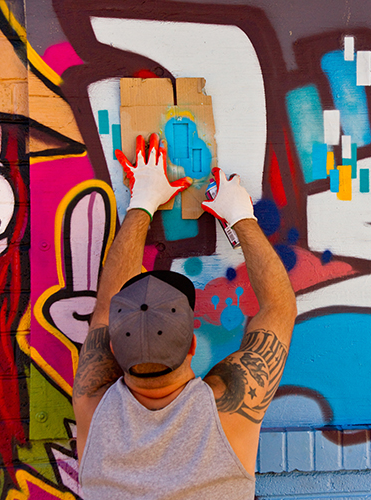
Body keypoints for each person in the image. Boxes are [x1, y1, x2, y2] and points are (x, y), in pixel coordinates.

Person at [72, 134, 296, 499]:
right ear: (193, 344)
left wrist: (143, 199)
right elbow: (278, 309)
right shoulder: (228, 407)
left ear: (112, 346)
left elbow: (104, 308)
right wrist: (241, 215)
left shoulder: (93, 403)